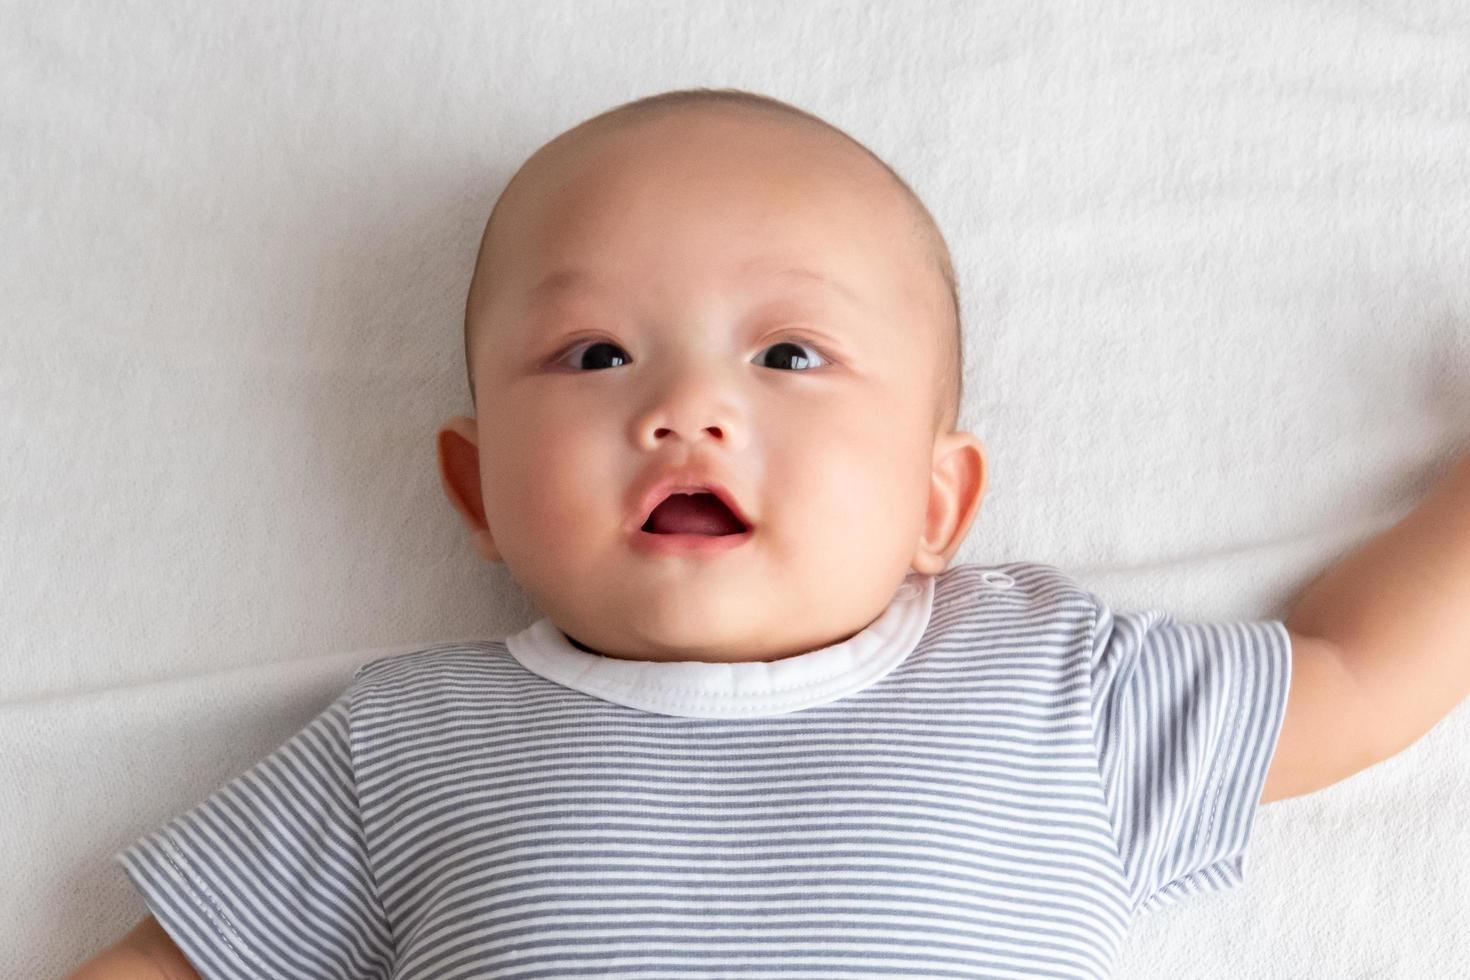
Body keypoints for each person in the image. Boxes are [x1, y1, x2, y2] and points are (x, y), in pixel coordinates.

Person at [72, 87, 1470, 979]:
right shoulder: (404, 743)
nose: (687, 409)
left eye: (789, 357)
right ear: (478, 486)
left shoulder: (1054, 691)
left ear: (937, 503)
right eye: (595, 355)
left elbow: (1354, 672)